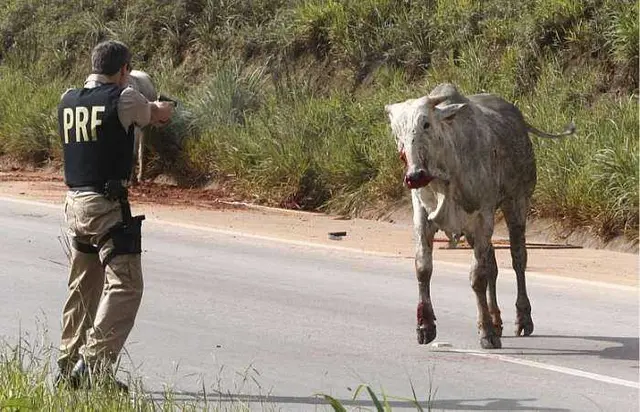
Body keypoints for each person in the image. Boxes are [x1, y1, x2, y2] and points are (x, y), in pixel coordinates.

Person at [55, 40, 174, 391]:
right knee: (126, 285)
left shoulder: (67, 99)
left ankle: (67, 363)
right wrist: (164, 108)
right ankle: (93, 366)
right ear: (124, 70)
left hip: (74, 205)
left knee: (83, 286)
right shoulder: (123, 98)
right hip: (104, 206)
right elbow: (153, 114)